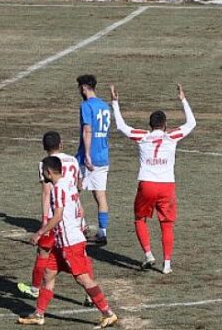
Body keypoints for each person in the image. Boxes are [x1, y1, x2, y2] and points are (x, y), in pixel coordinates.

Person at [17, 156, 118, 328]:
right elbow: (80, 209)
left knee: (83, 279)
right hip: (63, 241)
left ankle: (107, 313)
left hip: (69, 242)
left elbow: (57, 216)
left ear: (49, 172)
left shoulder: (58, 189)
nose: (42, 175)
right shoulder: (70, 184)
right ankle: (38, 314)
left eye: (43, 172)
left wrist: (40, 233)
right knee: (49, 274)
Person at [110, 83, 195, 274]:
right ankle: (167, 264)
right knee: (166, 224)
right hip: (167, 186)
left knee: (140, 219)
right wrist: (183, 99)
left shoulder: (143, 137)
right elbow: (191, 124)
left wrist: (115, 103)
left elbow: (122, 126)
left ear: (150, 125)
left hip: (147, 183)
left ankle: (148, 254)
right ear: (165, 125)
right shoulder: (172, 136)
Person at [17, 131, 90, 305]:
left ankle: (35, 289)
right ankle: (89, 294)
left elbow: (46, 192)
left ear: (44, 147)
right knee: (81, 255)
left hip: (56, 215)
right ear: (61, 144)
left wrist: (44, 219)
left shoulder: (45, 164)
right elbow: (79, 185)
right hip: (74, 213)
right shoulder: (72, 160)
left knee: (43, 252)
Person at [75, 75, 112, 246]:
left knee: (74, 191)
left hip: (87, 156)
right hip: (103, 156)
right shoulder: (105, 106)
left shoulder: (86, 106)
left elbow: (87, 130)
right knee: (100, 195)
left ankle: (79, 227)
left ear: (84, 88)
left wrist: (87, 155)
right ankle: (102, 232)